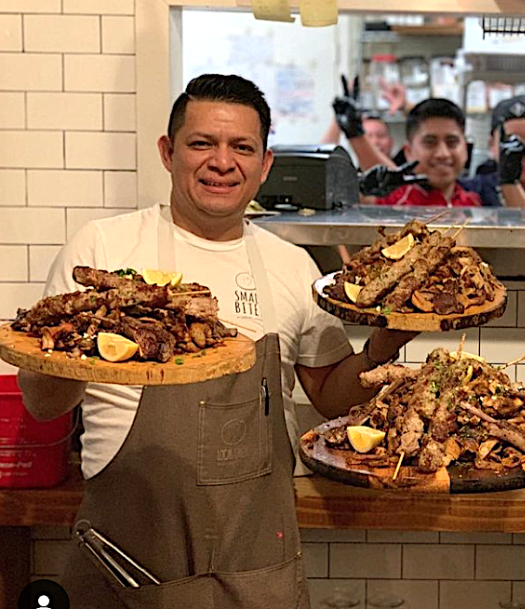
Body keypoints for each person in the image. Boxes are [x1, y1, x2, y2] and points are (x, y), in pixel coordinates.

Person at [17, 74, 416, 609]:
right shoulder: (104, 247)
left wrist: (381, 348)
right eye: (202, 143)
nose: (221, 162)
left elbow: (330, 395)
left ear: (265, 164)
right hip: (126, 566)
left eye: (242, 147)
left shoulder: (292, 266)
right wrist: (89, 335)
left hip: (256, 572)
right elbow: (42, 406)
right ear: (168, 151)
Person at [361, 98, 481, 207]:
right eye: (430, 143)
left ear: (465, 148)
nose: (443, 154)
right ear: (408, 151)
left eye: (452, 142)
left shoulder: (474, 203)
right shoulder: (394, 202)